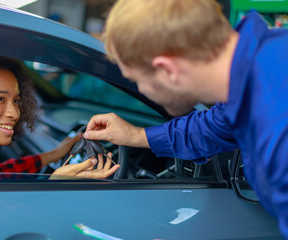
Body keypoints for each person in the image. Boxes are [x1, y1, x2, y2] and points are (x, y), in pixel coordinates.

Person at [83, 0, 288, 237]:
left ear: (167, 70)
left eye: (136, 80)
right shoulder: (263, 66)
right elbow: (211, 127)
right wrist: (135, 135)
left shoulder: (275, 127)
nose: (141, 89)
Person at [0, 52, 119, 180]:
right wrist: (57, 183)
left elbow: (2, 171)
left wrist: (55, 154)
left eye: (15, 101)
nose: (14, 113)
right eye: (0, 99)